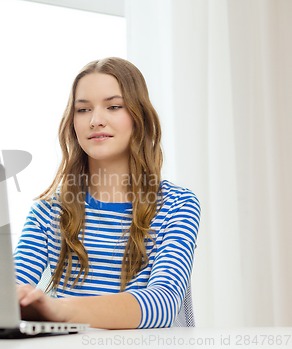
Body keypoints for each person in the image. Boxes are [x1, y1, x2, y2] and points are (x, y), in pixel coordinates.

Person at [14, 57, 201, 329]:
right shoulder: (49, 210)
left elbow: (163, 303)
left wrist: (58, 309)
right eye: (83, 110)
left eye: (113, 107)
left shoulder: (177, 205)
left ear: (139, 117)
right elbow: (12, 290)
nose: (95, 120)